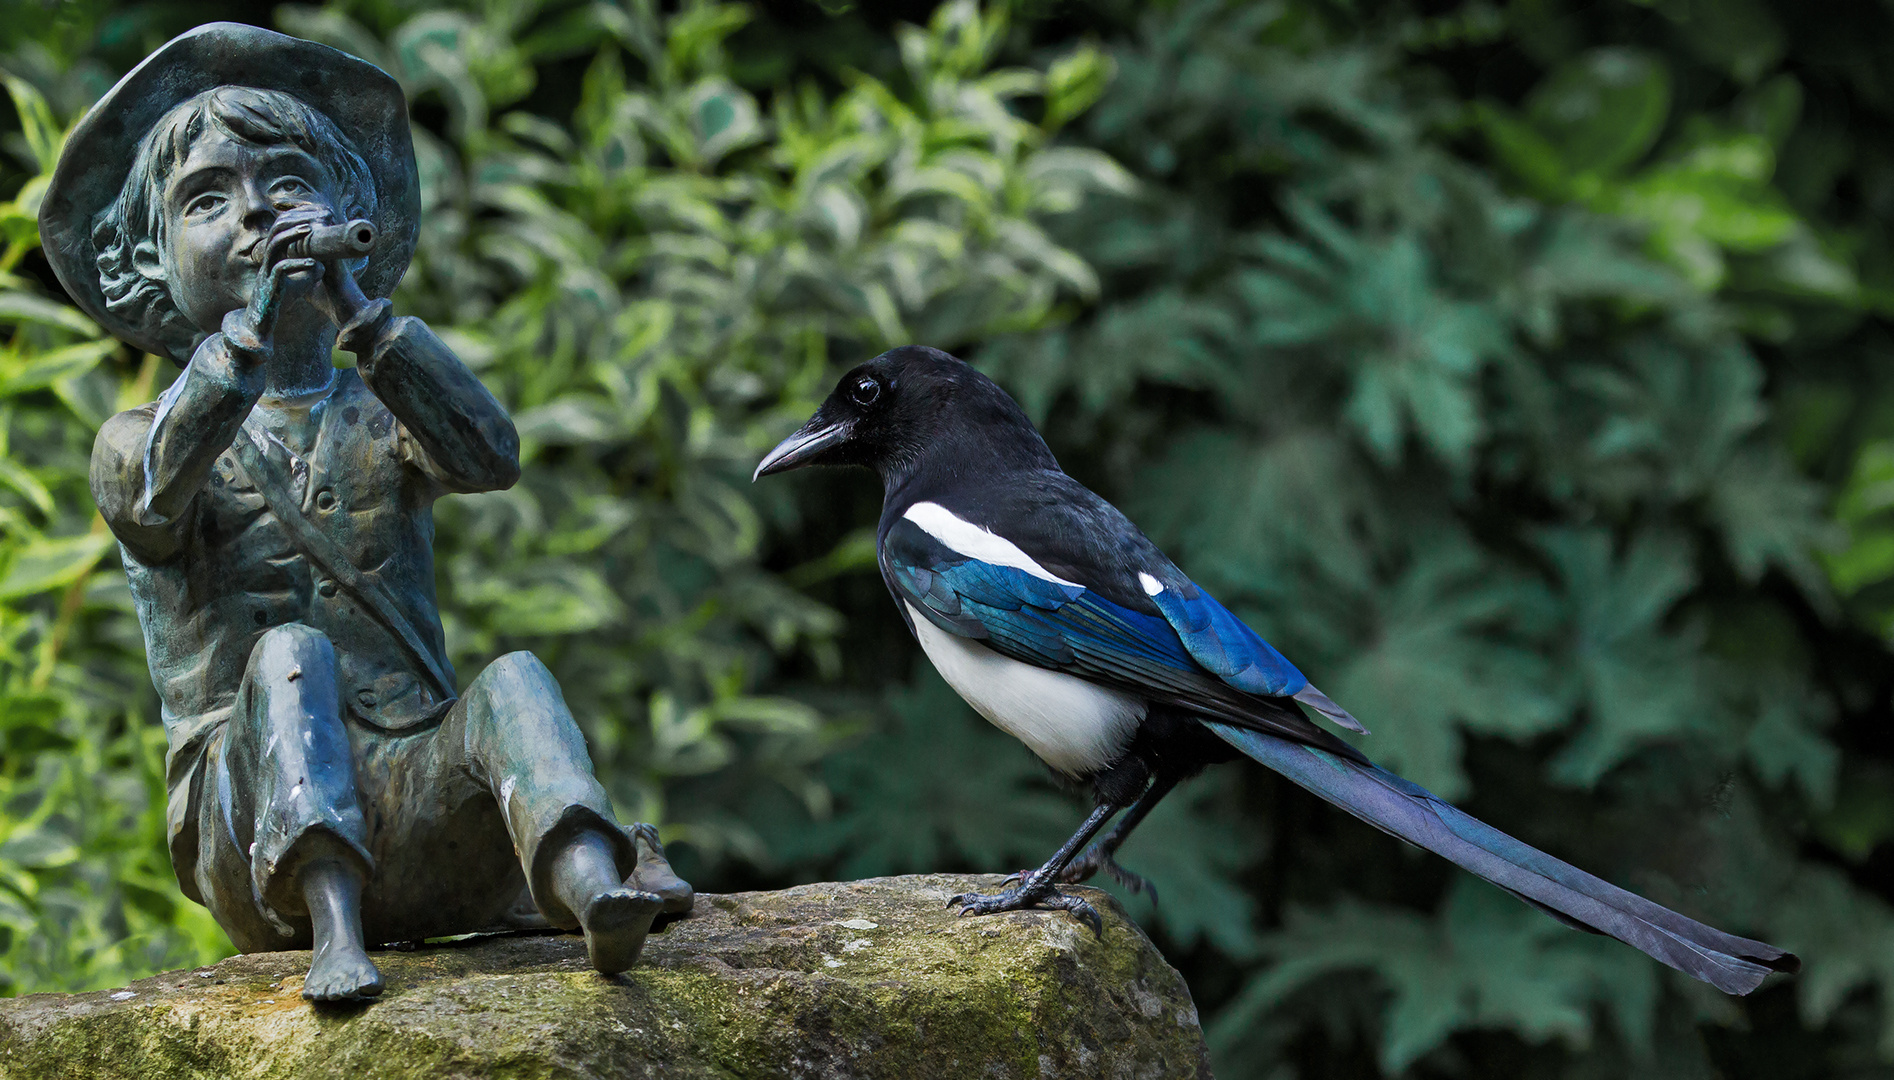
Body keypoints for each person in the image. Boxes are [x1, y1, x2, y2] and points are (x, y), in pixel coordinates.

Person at [39, 24, 689, 1002]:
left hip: (421, 820)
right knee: (287, 655)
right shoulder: (138, 437)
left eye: (289, 189)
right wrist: (247, 334)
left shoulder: (383, 409)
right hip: (255, 840)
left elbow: (490, 456)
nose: (258, 215)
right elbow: (154, 504)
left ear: (355, 219)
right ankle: (335, 934)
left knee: (513, 677)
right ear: (146, 263)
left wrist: (366, 317)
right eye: (208, 201)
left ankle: (588, 886)